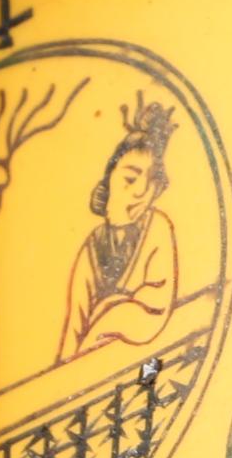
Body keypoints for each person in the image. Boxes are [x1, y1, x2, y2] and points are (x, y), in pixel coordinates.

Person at [57, 93, 183, 363]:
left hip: (145, 364)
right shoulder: (93, 246)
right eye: (130, 178)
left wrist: (108, 314)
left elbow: (156, 304)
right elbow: (74, 329)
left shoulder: (157, 227)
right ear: (109, 178)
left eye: (151, 183)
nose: (140, 191)